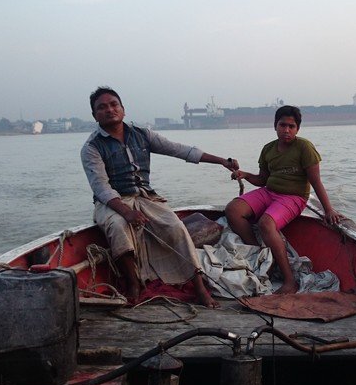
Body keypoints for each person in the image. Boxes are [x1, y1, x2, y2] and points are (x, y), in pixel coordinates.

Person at [81, 86, 239, 307]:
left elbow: (180, 150)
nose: (109, 110)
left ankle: (199, 287)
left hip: (145, 197)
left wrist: (222, 160)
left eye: (114, 104)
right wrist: (127, 213)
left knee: (175, 226)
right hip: (113, 202)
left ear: (123, 109)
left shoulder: (142, 134)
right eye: (102, 107)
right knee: (117, 227)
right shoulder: (91, 147)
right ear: (94, 115)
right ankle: (133, 283)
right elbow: (101, 188)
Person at [224, 105, 342, 295]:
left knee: (266, 224)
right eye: (282, 125)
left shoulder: (304, 147)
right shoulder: (268, 149)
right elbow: (262, 179)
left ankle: (289, 281)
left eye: (291, 126)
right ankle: (261, 257)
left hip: (293, 197)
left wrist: (329, 210)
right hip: (269, 191)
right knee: (233, 210)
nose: (286, 130)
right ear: (275, 126)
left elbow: (316, 182)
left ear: (297, 129)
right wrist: (244, 174)